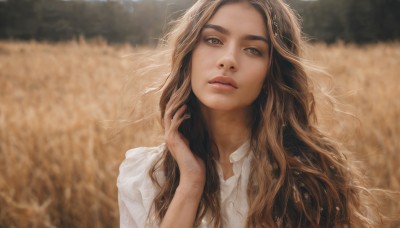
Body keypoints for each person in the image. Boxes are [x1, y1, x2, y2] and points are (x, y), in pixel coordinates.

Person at [117, 0, 381, 227]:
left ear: (271, 72)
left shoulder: (310, 174)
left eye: (253, 49)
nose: (228, 59)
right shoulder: (145, 176)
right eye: (213, 40)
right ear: (189, 54)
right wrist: (191, 184)